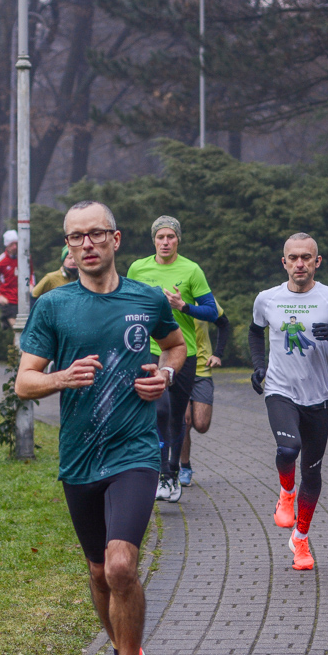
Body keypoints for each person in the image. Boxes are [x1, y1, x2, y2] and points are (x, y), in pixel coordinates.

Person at [15, 199, 186, 655]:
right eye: (74, 237)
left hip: (134, 453)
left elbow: (176, 346)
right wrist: (62, 378)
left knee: (119, 567)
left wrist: (164, 372)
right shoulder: (54, 307)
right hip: (80, 458)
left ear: (115, 239)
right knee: (96, 573)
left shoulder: (147, 298)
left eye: (94, 234)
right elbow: (24, 382)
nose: (85, 244)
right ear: (67, 247)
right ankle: (121, 653)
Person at [248, 233, 328, 571]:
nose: (299, 263)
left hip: (318, 398)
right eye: (293, 257)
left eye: (307, 257)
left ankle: (300, 540)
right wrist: (259, 367)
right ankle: (286, 494)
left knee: (312, 473)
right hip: (279, 390)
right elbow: (255, 332)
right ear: (283, 262)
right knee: (288, 450)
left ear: (317, 262)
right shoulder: (267, 299)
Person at [126, 215, 219, 504]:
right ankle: (160, 471)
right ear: (153, 240)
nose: (165, 242)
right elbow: (125, 303)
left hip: (184, 351)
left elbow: (212, 311)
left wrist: (184, 306)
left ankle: (174, 473)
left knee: (177, 416)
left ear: (178, 239)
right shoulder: (138, 268)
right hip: (149, 349)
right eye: (160, 237)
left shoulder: (191, 270)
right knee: (159, 410)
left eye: (170, 237)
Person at [177, 301, 231, 486]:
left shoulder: (204, 301)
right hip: (178, 368)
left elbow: (224, 323)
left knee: (201, 424)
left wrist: (218, 354)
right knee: (184, 421)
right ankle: (183, 466)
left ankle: (179, 433)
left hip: (202, 369)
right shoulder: (167, 297)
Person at [0, 229, 20, 330]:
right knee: (17, 329)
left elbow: (31, 273)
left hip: (22, 299)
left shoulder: (24, 258)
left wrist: (31, 285)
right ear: (6, 246)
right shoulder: (0, 262)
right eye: (11, 245)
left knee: (23, 329)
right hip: (8, 300)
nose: (15, 247)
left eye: (16, 244)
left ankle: (15, 346)